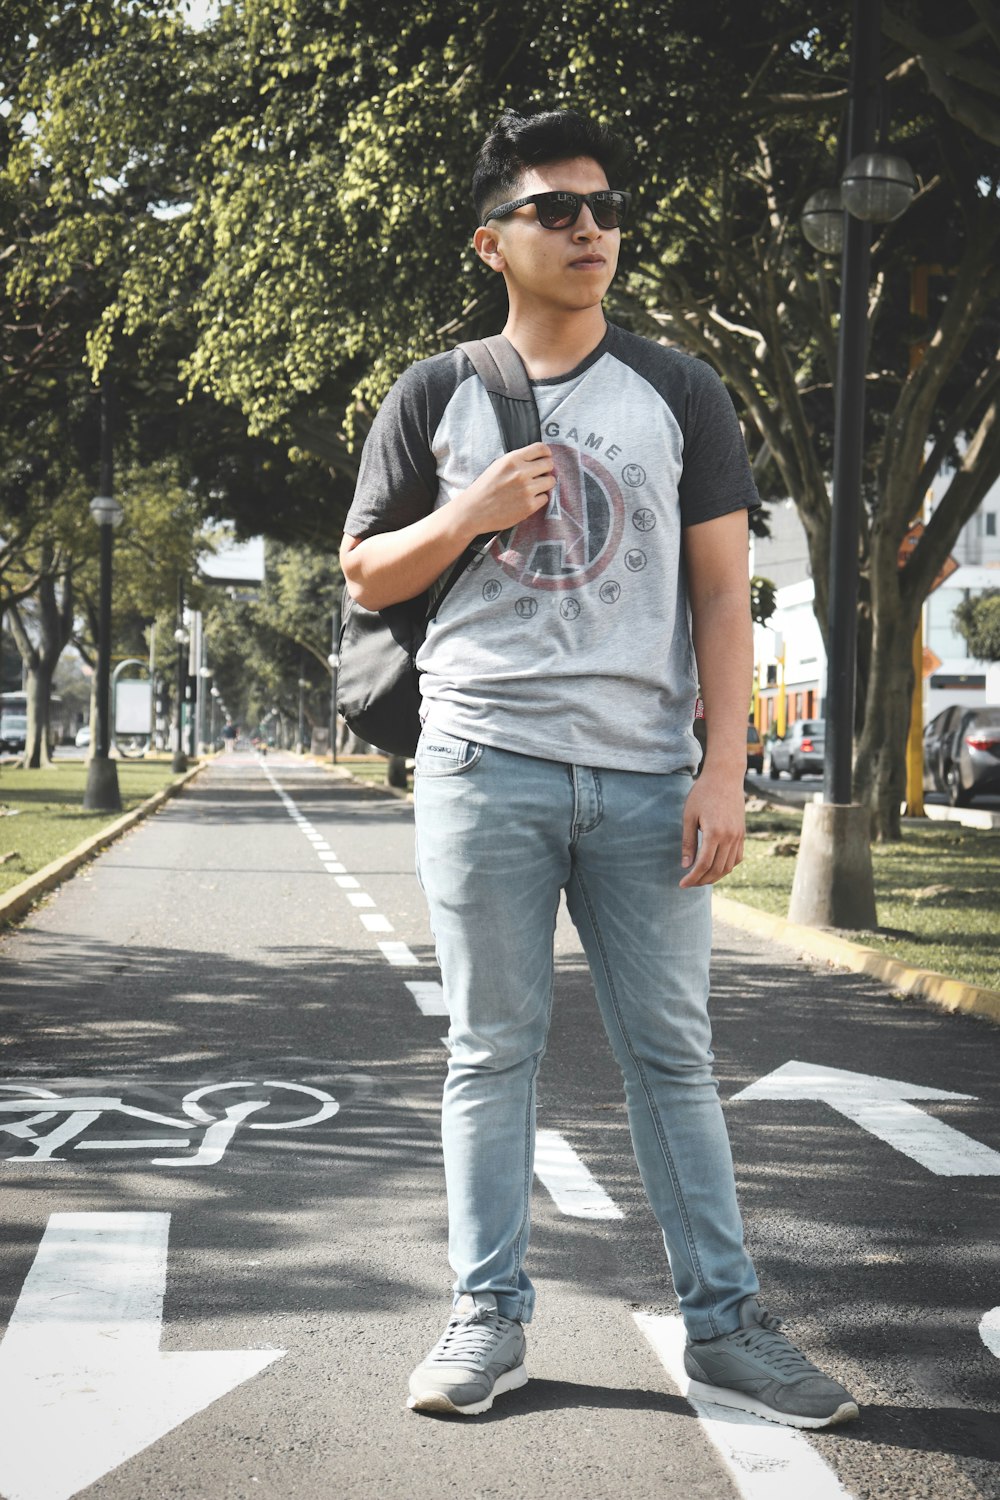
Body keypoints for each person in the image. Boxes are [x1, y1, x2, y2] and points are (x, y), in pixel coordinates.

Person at [340, 108, 858, 1430]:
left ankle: (731, 1333)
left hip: (643, 778)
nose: (590, 229)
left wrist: (724, 771)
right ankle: (486, 1323)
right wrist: (466, 513)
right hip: (481, 761)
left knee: (672, 1060)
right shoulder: (433, 390)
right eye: (558, 210)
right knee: (489, 1053)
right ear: (493, 241)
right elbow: (364, 568)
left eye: (607, 209)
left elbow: (726, 601)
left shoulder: (682, 390)